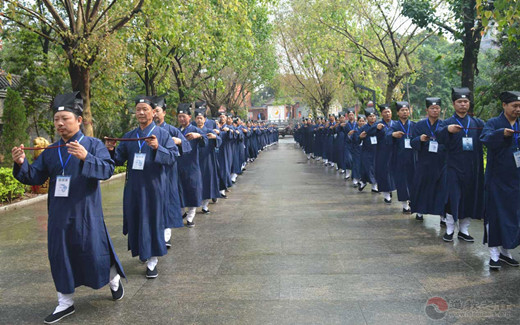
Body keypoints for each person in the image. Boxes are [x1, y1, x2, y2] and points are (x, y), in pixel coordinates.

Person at [12, 91, 125, 324]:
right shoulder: (52, 150)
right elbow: (34, 177)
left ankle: (113, 279)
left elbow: (107, 170)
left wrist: (86, 158)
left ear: (79, 121)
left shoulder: (93, 145)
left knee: (94, 252)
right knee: (59, 255)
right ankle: (65, 302)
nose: (60, 124)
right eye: (56, 120)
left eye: (65, 119)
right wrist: (21, 163)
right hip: (59, 214)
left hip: (86, 212)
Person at [107, 95, 177, 279]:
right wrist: (111, 149)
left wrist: (157, 148)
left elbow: (172, 157)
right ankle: (143, 251)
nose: (141, 112)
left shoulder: (162, 134)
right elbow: (118, 159)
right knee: (137, 219)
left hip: (154, 186)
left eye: (145, 109)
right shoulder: (130, 136)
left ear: (153, 112)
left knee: (152, 221)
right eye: (138, 109)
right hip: (134, 187)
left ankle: (153, 260)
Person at [435, 88, 485, 242]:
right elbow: (438, 135)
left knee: (469, 197)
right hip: (453, 167)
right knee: (452, 197)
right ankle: (450, 229)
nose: (463, 104)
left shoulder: (477, 122)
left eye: (465, 101)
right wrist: (448, 131)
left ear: (469, 103)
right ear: (453, 104)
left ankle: (464, 230)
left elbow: (489, 135)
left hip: (472, 168)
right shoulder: (447, 123)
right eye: (459, 102)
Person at [480, 91, 520, 269]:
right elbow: (485, 139)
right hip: (497, 179)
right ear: (504, 105)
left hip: (516, 179)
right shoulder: (493, 123)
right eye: (514, 106)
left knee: (512, 215)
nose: (518, 109)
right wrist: (500, 134)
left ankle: (506, 252)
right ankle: (494, 255)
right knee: (495, 215)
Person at [153, 95, 191, 248]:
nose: (155, 114)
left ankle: (166, 234)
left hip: (167, 172)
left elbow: (187, 145)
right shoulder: (143, 131)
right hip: (150, 173)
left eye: (157, 111)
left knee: (168, 200)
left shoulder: (172, 130)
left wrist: (180, 141)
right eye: (153, 111)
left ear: (164, 113)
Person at [410, 98, 447, 222]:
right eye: (432, 108)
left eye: (437, 108)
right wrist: (420, 139)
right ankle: (420, 211)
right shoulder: (419, 125)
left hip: (440, 162)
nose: (435, 110)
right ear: (427, 110)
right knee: (422, 186)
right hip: (424, 162)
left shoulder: (444, 124)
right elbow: (412, 142)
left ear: (440, 110)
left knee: (441, 188)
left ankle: (442, 214)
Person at [176, 103, 208, 227]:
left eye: (184, 116)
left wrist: (198, 136)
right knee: (181, 189)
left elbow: (205, 142)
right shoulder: (177, 131)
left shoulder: (195, 130)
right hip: (179, 165)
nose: (182, 119)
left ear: (189, 117)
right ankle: (182, 212)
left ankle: (190, 216)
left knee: (192, 190)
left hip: (192, 165)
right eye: (179, 117)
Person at [388, 101, 416, 214]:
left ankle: (413, 202)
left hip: (413, 157)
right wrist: (392, 135)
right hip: (399, 158)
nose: (405, 112)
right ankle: (405, 205)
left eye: (406, 110)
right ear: (398, 113)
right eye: (402, 110)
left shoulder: (414, 125)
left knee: (413, 180)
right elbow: (386, 137)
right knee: (402, 182)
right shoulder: (393, 126)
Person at [194, 107, 222, 213]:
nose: (199, 120)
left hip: (207, 159)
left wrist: (214, 137)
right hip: (195, 159)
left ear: (205, 119)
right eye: (197, 118)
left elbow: (219, 140)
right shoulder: (192, 130)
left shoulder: (209, 131)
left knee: (207, 181)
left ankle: (205, 205)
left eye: (201, 118)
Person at [374, 104, 396, 204]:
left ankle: (391, 189)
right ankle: (387, 194)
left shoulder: (396, 124)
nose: (387, 114)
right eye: (385, 112)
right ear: (382, 114)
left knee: (394, 172)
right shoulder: (378, 125)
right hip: (382, 152)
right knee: (384, 173)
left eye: (389, 112)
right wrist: (377, 130)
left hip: (394, 151)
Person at [358, 111, 378, 192]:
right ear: (367, 118)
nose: (372, 118)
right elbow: (357, 140)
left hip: (376, 150)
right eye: (370, 116)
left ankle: (374, 186)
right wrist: (360, 137)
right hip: (366, 150)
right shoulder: (363, 128)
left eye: (373, 116)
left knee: (375, 168)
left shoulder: (379, 126)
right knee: (366, 167)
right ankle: (363, 181)